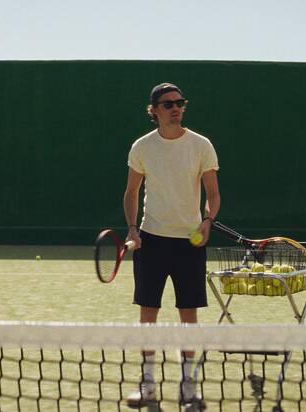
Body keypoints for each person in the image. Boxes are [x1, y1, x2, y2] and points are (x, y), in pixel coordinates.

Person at [123, 82, 220, 407]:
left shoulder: (201, 145)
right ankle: (148, 383)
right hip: (151, 241)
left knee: (188, 315)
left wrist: (207, 221)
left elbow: (213, 193)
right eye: (168, 104)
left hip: (188, 244)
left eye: (180, 102)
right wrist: (133, 229)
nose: (175, 107)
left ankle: (188, 384)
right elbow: (132, 193)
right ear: (154, 110)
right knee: (148, 313)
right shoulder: (142, 147)